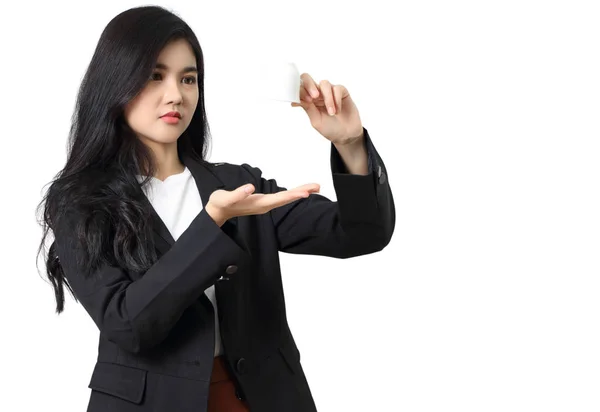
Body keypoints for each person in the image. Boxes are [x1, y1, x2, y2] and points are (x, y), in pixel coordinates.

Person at [36, 5, 395, 412]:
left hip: (258, 396)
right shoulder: (78, 201)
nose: (176, 94)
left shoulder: (238, 185)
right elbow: (129, 326)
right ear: (116, 81)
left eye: (188, 78)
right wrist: (213, 222)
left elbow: (363, 233)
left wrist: (349, 143)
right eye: (155, 75)